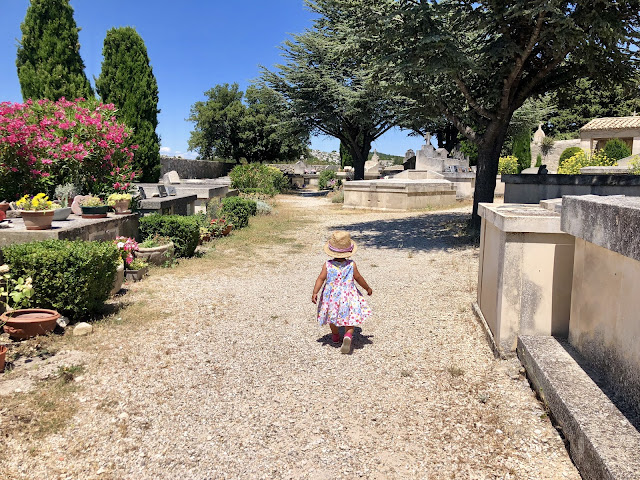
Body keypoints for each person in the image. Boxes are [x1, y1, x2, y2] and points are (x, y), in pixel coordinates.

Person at [312, 231, 372, 354]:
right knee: (350, 317)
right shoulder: (351, 264)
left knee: (331, 316)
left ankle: (335, 336)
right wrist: (367, 288)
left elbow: (320, 278)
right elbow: (359, 278)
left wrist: (315, 292)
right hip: (349, 295)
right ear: (348, 251)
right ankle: (348, 336)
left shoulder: (327, 265)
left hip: (331, 296)